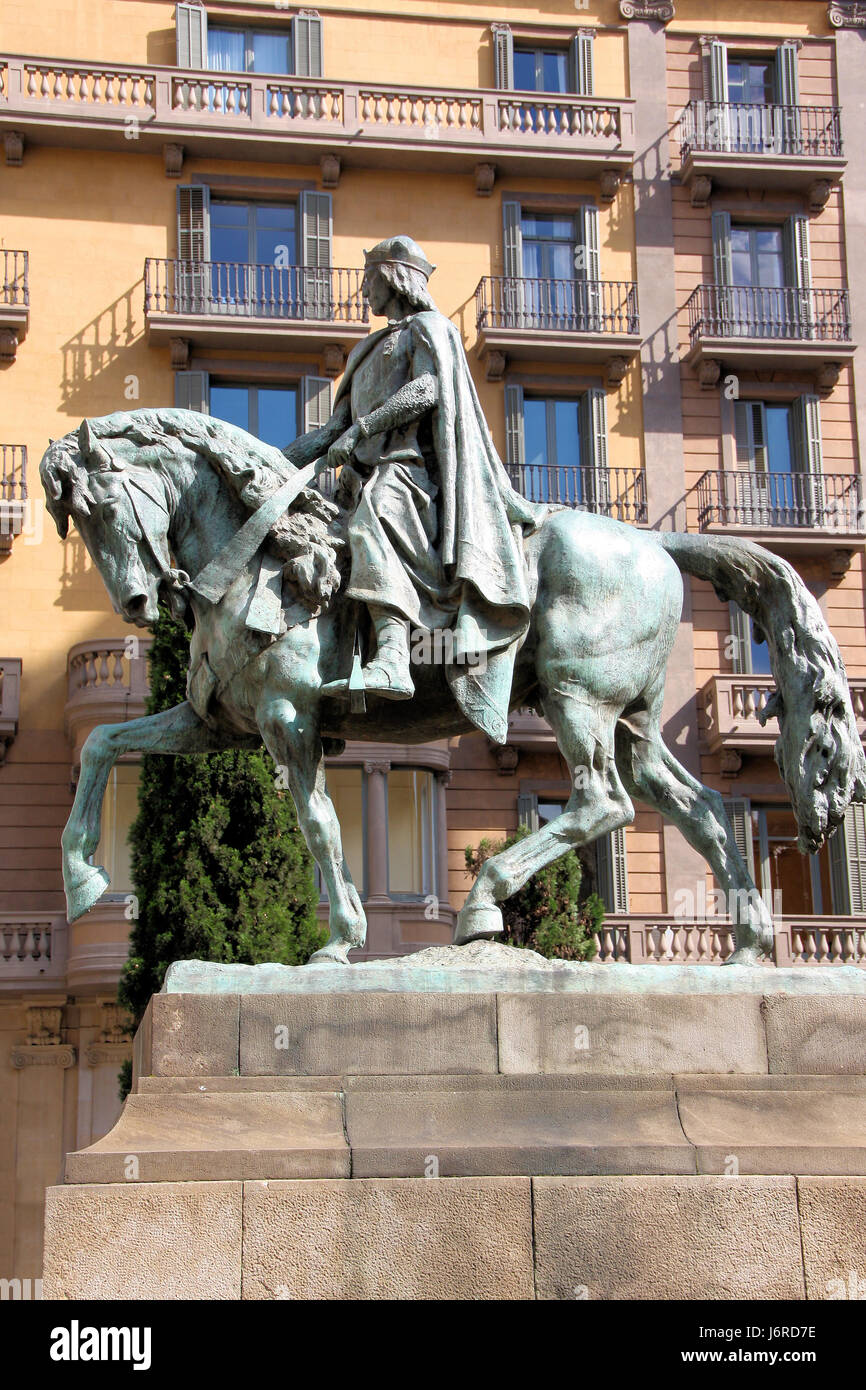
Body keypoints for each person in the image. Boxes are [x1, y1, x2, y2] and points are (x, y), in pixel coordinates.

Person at [318, 234, 545, 745]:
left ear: (393, 278)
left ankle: (396, 658)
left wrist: (364, 430)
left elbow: (428, 390)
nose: (363, 292)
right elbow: (330, 431)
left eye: (369, 280)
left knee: (375, 508)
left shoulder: (429, 329)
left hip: (411, 473)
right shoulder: (366, 350)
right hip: (364, 474)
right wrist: (272, 469)